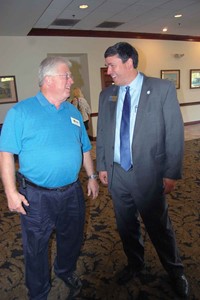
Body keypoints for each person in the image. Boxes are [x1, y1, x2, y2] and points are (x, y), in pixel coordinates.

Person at [0, 56, 99, 300]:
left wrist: (92, 176)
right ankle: (39, 291)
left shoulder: (73, 111)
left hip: (72, 191)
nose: (71, 80)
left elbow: (84, 147)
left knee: (72, 237)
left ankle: (64, 270)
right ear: (48, 79)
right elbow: (6, 154)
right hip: (36, 195)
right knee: (36, 246)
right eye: (66, 75)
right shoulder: (21, 112)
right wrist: (11, 192)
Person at [96, 42, 189, 298]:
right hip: (117, 174)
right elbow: (102, 132)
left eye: (112, 65)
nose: (108, 71)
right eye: (107, 65)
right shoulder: (107, 95)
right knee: (126, 226)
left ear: (129, 63)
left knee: (159, 226)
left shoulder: (161, 89)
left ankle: (175, 271)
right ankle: (135, 264)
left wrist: (171, 173)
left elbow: (174, 133)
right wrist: (102, 165)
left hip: (150, 173)